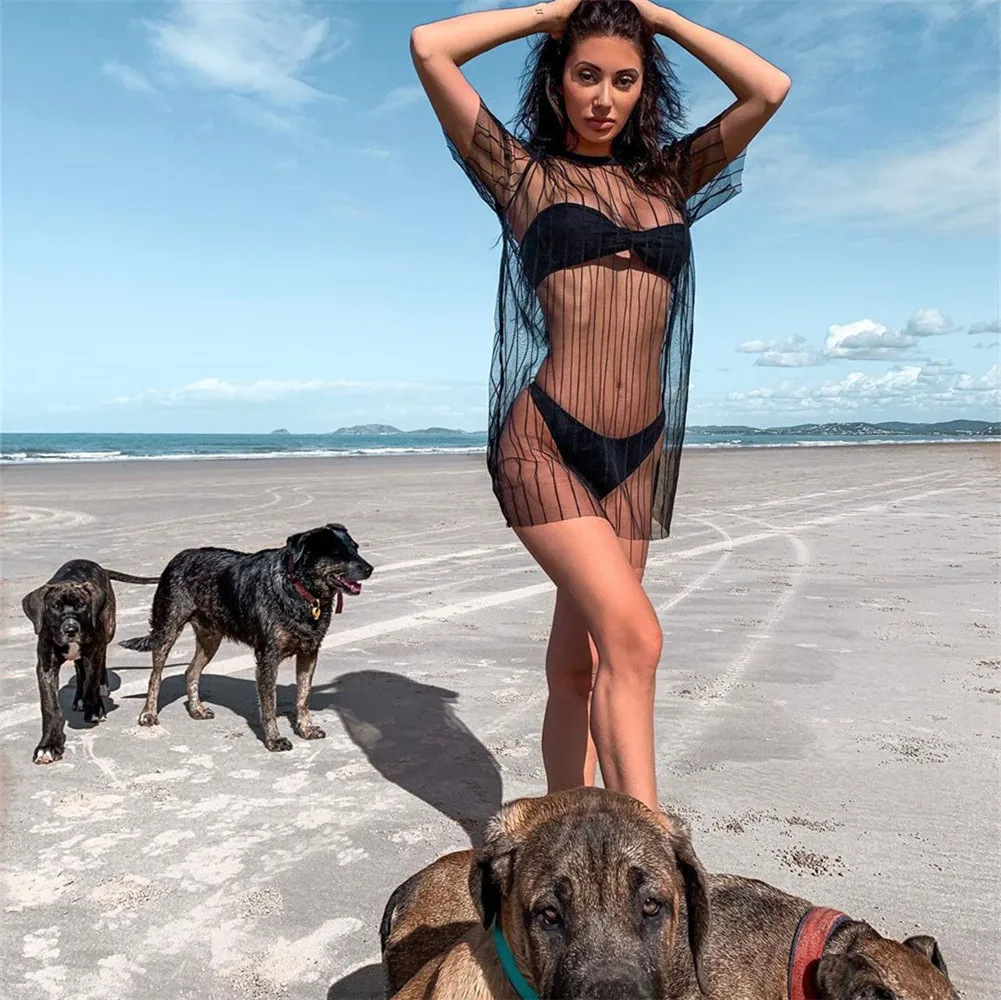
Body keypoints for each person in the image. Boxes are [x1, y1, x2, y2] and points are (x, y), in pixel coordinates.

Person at [410, 0, 789, 811]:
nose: (604, 97)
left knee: (580, 665)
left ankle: (564, 828)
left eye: (624, 79)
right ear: (557, 80)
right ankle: (646, 848)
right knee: (636, 637)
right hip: (545, 443)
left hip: (636, 454)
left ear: (644, 88)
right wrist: (553, 14)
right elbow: (430, 48)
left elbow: (767, 89)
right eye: (587, 75)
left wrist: (663, 21)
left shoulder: (670, 178)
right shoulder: (522, 176)